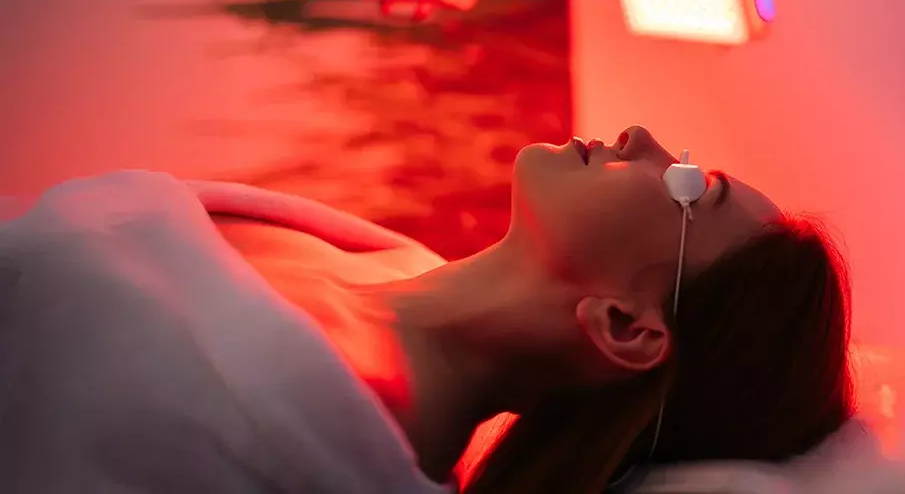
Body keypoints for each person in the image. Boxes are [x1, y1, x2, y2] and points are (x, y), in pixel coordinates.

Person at [0, 125, 853, 493]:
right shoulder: (391, 261)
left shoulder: (285, 433)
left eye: (687, 187)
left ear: (627, 327)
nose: (639, 138)